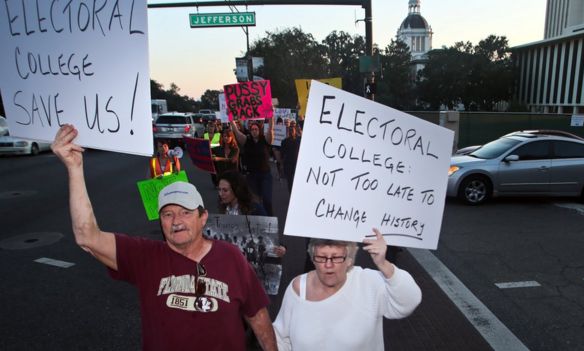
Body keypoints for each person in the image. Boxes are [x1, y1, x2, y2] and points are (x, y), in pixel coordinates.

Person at [51, 125, 277, 351]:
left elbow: (257, 314)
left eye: (186, 212)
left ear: (203, 217)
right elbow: (87, 236)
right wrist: (74, 168)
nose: (176, 221)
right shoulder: (145, 256)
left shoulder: (232, 257)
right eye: (168, 214)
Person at [272, 229, 421, 351]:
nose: (328, 265)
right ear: (312, 258)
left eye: (336, 257)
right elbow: (281, 337)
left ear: (350, 259)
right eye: (321, 257)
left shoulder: (368, 282)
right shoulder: (298, 288)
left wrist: (384, 264)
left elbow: (408, 302)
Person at [232, 118, 275, 216]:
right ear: (250, 131)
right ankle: (259, 221)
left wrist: (271, 116)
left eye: (256, 129)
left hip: (265, 175)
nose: (254, 131)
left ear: (259, 130)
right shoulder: (246, 140)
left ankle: (270, 219)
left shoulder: (265, 139)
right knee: (255, 202)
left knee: (267, 199)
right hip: (251, 176)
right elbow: (236, 131)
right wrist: (231, 119)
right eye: (252, 129)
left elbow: (270, 129)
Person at [280, 123, 301, 194]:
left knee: (297, 180)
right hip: (288, 164)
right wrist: (282, 165)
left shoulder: (299, 141)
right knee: (289, 181)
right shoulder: (284, 142)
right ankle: (291, 194)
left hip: (297, 164)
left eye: (293, 130)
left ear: (295, 131)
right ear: (288, 132)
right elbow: (282, 154)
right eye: (290, 130)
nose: (291, 131)